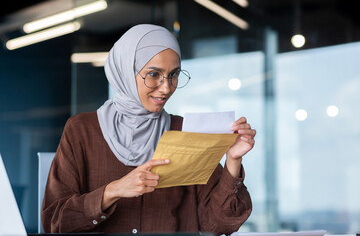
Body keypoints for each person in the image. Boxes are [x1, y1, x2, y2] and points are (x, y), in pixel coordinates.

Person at [41, 24, 256, 235]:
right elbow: (55, 222)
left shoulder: (184, 132)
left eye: (173, 75)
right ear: (126, 70)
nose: (166, 87)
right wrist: (113, 191)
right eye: (154, 74)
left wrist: (233, 161)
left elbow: (218, 224)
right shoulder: (82, 130)